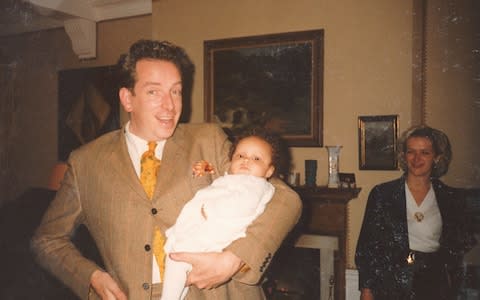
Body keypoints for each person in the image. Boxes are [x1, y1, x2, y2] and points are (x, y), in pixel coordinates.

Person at [31, 39, 302, 300]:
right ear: (127, 99)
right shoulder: (85, 163)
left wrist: (235, 259)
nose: (169, 105)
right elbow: (47, 240)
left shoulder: (208, 139)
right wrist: (92, 278)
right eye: (154, 91)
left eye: (175, 91)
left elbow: (285, 198)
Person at [355, 125, 477, 300]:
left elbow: (458, 245)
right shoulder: (382, 194)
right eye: (411, 152)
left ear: (436, 157)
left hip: (434, 284)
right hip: (391, 284)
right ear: (404, 156)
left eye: (425, 153)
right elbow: (367, 247)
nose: (417, 158)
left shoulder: (450, 198)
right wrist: (366, 290)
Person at [161, 129, 282, 300]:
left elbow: (241, 207)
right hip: (205, 231)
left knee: (176, 262)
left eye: (256, 158)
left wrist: (208, 210)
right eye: (240, 156)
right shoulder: (235, 179)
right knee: (178, 267)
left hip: (217, 235)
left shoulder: (255, 186)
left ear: (269, 171)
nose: (246, 160)